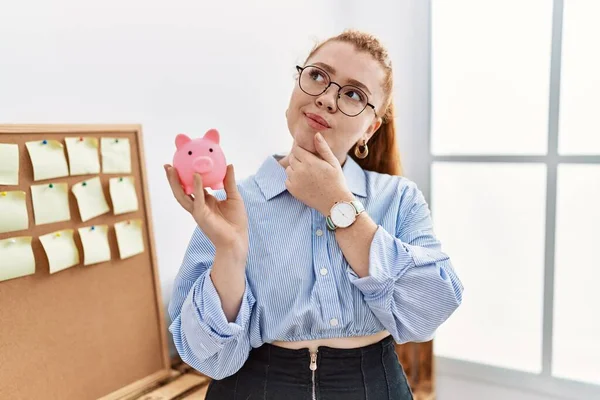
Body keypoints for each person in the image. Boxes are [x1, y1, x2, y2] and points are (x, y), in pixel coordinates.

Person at [165, 29, 464, 400]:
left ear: (369, 128)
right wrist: (229, 252)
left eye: (353, 94)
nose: (326, 99)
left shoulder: (399, 198)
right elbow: (207, 358)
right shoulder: (231, 204)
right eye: (318, 76)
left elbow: (429, 312)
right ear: (296, 86)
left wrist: (338, 205)